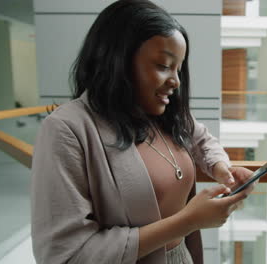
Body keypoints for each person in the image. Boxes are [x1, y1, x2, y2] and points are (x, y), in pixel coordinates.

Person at [30, 1, 254, 263]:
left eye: (178, 69)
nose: (176, 81)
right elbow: (65, 255)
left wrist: (219, 167)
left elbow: (203, 139)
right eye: (163, 66)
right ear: (117, 60)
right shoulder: (66, 130)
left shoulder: (165, 115)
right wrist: (189, 220)